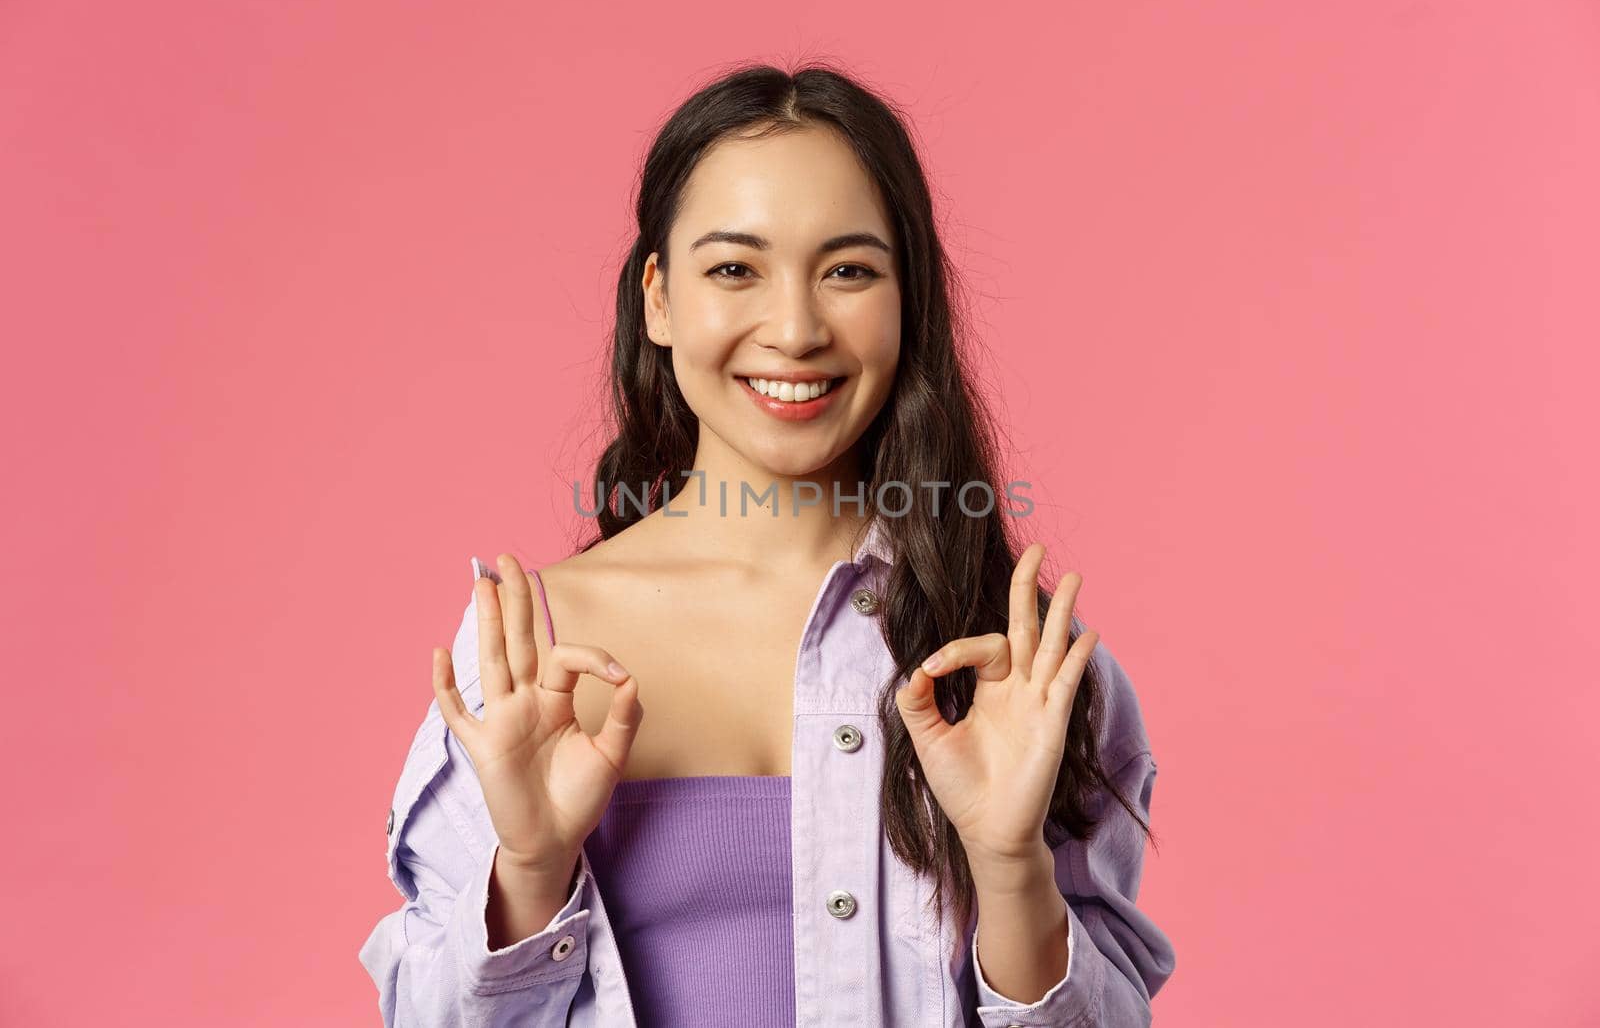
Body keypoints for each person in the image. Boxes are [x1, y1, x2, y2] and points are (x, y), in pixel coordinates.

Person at [359, 61, 1176, 1027]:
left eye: (848, 271)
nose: (794, 329)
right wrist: (530, 873)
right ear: (659, 297)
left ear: (909, 299)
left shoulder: (1010, 661)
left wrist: (1010, 869)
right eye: (734, 268)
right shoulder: (531, 648)